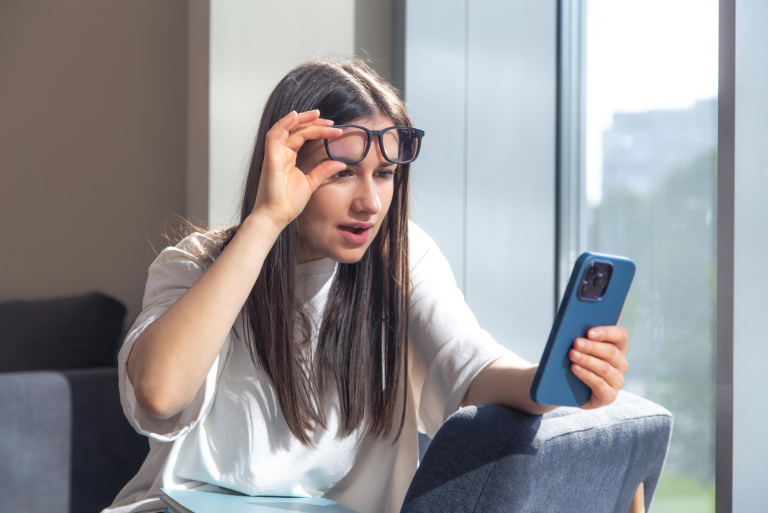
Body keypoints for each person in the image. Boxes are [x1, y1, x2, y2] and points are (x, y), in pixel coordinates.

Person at [102, 57, 630, 513]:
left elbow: (470, 369)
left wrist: (557, 377)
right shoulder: (194, 264)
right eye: (341, 174)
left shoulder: (402, 258)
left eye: (384, 174)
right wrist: (267, 219)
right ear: (282, 168)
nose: (370, 203)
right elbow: (159, 394)